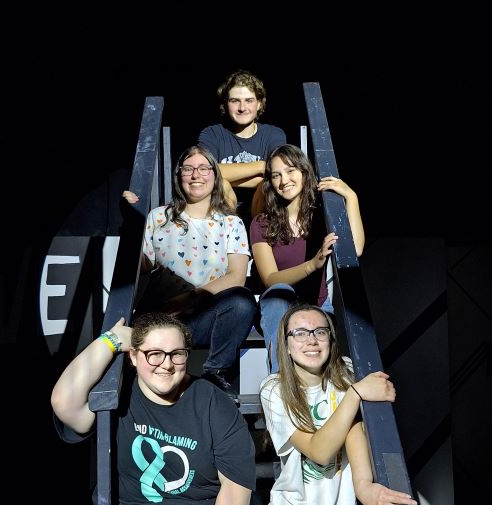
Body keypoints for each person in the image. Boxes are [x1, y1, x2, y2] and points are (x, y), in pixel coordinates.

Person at [51, 312, 264, 505]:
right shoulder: (119, 401)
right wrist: (112, 339)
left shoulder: (212, 401)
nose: (166, 364)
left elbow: (235, 491)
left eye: (177, 353)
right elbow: (65, 402)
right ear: (133, 356)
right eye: (154, 354)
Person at [259, 303, 417, 505]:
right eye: (299, 333)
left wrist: (364, 486)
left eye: (320, 331)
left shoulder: (347, 374)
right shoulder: (274, 389)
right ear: (285, 345)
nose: (311, 340)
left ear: (332, 340)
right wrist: (355, 395)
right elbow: (319, 451)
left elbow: (355, 431)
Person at [123, 144, 258, 400]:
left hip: (202, 318)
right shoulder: (158, 217)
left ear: (215, 176)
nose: (196, 175)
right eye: (188, 169)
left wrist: (187, 299)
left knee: (241, 301)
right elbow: (143, 266)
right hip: (161, 318)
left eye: (204, 168)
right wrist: (130, 222)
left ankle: (215, 373)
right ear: (179, 176)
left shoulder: (231, 223)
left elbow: (237, 276)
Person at [250, 143, 365, 373]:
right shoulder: (261, 223)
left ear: (304, 172)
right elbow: (271, 279)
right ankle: (278, 380)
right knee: (276, 294)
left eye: (290, 170)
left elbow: (357, 249)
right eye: (276, 175)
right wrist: (313, 264)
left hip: (316, 304)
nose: (284, 181)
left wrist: (351, 198)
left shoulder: (321, 217)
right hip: (279, 308)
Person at [198, 69, 286, 218]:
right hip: (221, 212)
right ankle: (231, 234)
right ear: (225, 104)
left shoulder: (273, 134)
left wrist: (223, 174)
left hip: (263, 211)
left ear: (259, 104)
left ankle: (258, 236)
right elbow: (203, 173)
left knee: (265, 186)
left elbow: (277, 175)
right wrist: (261, 166)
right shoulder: (212, 134)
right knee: (222, 185)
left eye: (249, 100)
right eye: (235, 101)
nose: (242, 108)